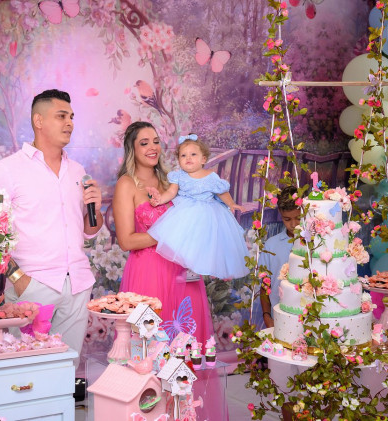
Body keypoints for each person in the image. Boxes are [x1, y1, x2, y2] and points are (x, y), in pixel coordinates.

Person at [0, 89, 103, 365]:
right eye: (61, 116)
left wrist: (95, 209)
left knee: (67, 367)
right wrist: (19, 279)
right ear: (39, 121)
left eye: (71, 117)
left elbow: (89, 230)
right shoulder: (6, 169)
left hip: (77, 284)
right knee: (25, 370)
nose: (69, 123)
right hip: (32, 285)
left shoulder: (78, 170)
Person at [112, 122, 213, 346]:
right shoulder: (127, 184)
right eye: (144, 143)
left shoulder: (172, 180)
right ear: (132, 148)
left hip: (182, 270)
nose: (152, 147)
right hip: (148, 273)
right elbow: (126, 241)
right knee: (150, 346)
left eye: (156, 142)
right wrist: (168, 233)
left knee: (187, 342)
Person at [146, 134, 249, 280]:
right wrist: (160, 199)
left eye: (193, 154)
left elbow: (221, 192)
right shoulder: (179, 176)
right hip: (186, 211)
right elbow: (171, 192)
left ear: (203, 159)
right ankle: (188, 268)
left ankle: (204, 268)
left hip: (208, 212)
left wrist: (231, 203)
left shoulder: (211, 176)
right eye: (183, 155)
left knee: (206, 241)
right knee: (186, 240)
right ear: (179, 160)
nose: (188, 158)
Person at [259, 185, 300, 328]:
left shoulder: (316, 243)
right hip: (278, 319)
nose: (293, 224)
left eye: (298, 218)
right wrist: (267, 316)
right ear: (280, 214)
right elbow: (265, 285)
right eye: (287, 219)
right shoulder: (271, 245)